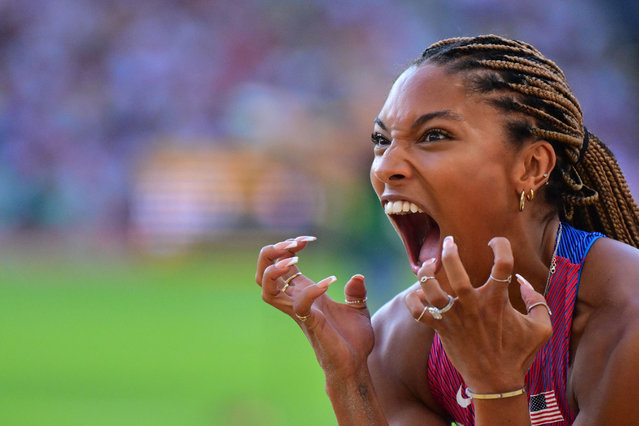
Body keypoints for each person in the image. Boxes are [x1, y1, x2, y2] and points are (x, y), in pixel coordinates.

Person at [255, 35, 639, 425]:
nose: (386, 166)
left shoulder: (626, 315)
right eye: (381, 140)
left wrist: (494, 384)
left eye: (434, 135)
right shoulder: (401, 340)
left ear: (531, 167)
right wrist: (349, 378)